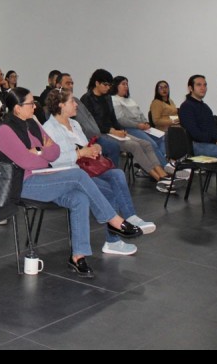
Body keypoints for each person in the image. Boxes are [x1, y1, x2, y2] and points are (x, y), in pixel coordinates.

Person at [0, 88, 142, 277]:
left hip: (44, 177)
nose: (35, 106)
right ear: (17, 108)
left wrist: (37, 150)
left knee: (79, 198)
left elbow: (54, 152)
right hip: (22, 184)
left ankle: (78, 257)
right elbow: (27, 162)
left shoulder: (33, 124)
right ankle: (113, 220)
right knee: (77, 175)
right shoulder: (4, 131)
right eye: (30, 103)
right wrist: (42, 153)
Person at [43, 87, 156, 256]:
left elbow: (86, 146)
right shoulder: (49, 129)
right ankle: (113, 241)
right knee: (109, 191)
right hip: (71, 173)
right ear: (61, 105)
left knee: (117, 174)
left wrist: (95, 148)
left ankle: (131, 217)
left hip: (86, 168)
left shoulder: (74, 124)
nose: (76, 105)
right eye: (72, 101)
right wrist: (81, 153)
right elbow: (55, 160)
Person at [80, 69, 171, 191]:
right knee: (134, 146)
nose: (108, 88)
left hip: (114, 131)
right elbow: (91, 124)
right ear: (96, 83)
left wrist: (120, 130)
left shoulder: (107, 97)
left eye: (109, 85)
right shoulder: (86, 99)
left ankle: (163, 174)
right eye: (105, 85)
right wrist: (112, 131)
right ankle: (158, 179)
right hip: (100, 133)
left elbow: (113, 118)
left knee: (146, 144)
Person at [61, 72, 122, 167]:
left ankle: (108, 170)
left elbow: (89, 117)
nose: (71, 86)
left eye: (72, 83)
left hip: (94, 136)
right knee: (113, 146)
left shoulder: (77, 100)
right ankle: (104, 171)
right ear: (58, 85)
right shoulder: (85, 99)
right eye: (68, 83)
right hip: (85, 140)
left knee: (114, 147)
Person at [110, 76, 168, 164]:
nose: (126, 86)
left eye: (127, 84)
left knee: (162, 138)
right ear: (116, 86)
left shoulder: (130, 100)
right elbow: (121, 119)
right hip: (129, 128)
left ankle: (162, 163)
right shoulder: (114, 99)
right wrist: (138, 125)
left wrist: (146, 122)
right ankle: (165, 167)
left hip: (141, 126)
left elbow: (140, 113)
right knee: (151, 144)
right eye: (123, 84)